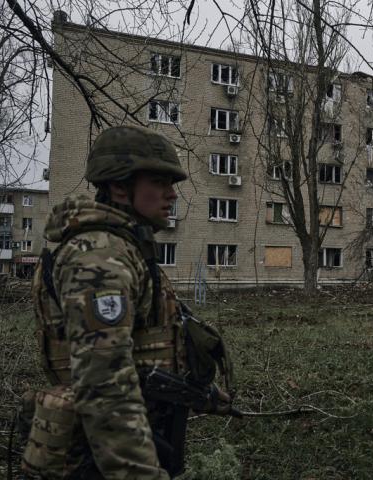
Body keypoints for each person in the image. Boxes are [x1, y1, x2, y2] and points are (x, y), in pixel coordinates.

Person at [23, 125, 233, 479]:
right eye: (159, 183)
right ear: (120, 187)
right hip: (101, 456)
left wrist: (199, 392)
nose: (171, 195)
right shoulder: (100, 257)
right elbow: (104, 384)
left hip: (134, 437)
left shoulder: (125, 246)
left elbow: (143, 348)